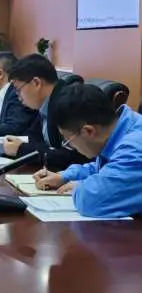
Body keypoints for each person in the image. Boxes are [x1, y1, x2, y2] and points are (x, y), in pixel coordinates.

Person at [33, 83, 142, 218]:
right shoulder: (124, 127)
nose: (71, 146)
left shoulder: (134, 148)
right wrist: (65, 176)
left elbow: (92, 201)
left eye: (68, 140)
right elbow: (105, 168)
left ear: (88, 131)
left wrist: (80, 186)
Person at [2, 54, 88, 170]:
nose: (18, 97)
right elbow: (33, 137)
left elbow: (73, 157)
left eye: (18, 90)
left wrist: (22, 149)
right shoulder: (45, 103)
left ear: (36, 83)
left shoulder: (68, 104)